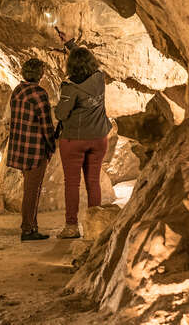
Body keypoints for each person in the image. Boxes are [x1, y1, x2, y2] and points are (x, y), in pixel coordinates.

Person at [54, 47, 112, 239]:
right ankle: (95, 226)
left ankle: (71, 227)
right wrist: (71, 46)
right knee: (93, 181)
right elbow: (91, 65)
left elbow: (61, 114)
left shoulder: (70, 87)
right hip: (98, 137)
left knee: (72, 184)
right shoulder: (99, 78)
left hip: (75, 140)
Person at [6, 58, 56, 241]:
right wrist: (52, 146)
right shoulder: (39, 94)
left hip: (20, 149)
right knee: (32, 191)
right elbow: (46, 124)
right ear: (40, 74)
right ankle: (27, 229)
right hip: (35, 150)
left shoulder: (17, 91)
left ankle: (31, 226)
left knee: (29, 189)